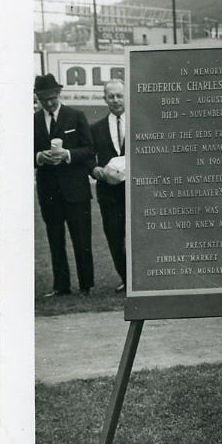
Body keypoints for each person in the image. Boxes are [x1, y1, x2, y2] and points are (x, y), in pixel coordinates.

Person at [33, 73, 95, 297]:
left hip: (76, 189)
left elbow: (89, 150)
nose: (49, 102)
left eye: (52, 97)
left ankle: (86, 285)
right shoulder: (34, 121)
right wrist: (40, 157)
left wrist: (67, 154)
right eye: (43, 99)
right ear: (38, 98)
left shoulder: (76, 116)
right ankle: (61, 286)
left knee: (82, 239)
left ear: (59, 93)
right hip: (49, 191)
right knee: (55, 239)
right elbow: (24, 154)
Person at [88, 79, 129, 292]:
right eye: (111, 96)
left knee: (138, 236)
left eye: (119, 95)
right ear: (105, 99)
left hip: (135, 192)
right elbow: (88, 156)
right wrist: (96, 171)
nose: (115, 100)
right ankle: (126, 278)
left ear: (126, 95)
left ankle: (141, 280)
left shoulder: (140, 124)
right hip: (109, 194)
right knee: (114, 236)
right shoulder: (95, 128)